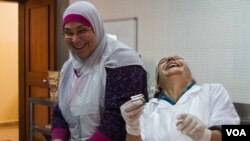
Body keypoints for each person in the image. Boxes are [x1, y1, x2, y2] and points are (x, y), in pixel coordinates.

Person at [51, 1, 148, 141]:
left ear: (96, 27)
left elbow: (116, 121)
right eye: (68, 33)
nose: (75, 39)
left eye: (82, 30)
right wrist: (58, 139)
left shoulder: (122, 61)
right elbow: (59, 112)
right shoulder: (69, 68)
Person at [120, 55, 240, 141]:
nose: (170, 58)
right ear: (158, 85)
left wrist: (206, 135)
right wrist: (132, 128)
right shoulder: (147, 110)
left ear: (191, 76)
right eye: (163, 61)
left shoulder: (213, 91)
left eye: (178, 58)